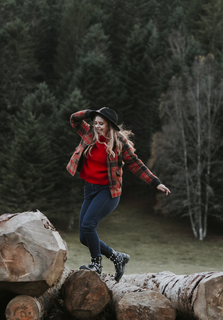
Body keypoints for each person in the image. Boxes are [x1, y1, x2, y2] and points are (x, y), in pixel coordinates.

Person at [66, 107, 170, 281]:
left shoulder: (118, 142)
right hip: (89, 190)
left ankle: (96, 265)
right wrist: (90, 113)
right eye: (95, 123)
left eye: (101, 124)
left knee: (88, 225)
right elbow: (73, 119)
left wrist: (156, 182)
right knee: (84, 237)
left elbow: (136, 164)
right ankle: (117, 257)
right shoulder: (89, 133)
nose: (97, 126)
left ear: (109, 126)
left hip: (108, 192)